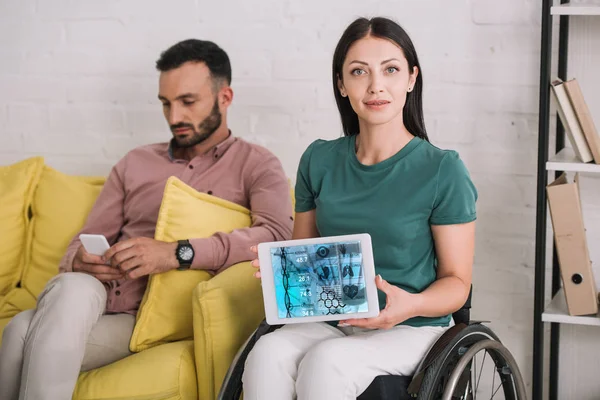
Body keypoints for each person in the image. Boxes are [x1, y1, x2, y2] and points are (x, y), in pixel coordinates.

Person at [0, 39, 293, 400]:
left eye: (188, 102)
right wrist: (80, 259)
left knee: (18, 330)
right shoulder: (135, 162)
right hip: (94, 300)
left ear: (225, 97)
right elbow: (83, 241)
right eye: (166, 104)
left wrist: (177, 253)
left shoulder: (256, 164)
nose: (174, 117)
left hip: (143, 320)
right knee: (72, 287)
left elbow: (278, 235)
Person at [242, 17, 477, 400]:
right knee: (266, 353)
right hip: (335, 319)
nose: (375, 85)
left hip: (413, 327)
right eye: (358, 72)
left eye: (390, 70)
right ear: (341, 84)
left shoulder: (441, 169)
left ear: (411, 78)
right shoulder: (319, 160)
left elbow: (456, 282)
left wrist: (408, 305)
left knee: (327, 362)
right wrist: (283, 273)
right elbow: (305, 261)